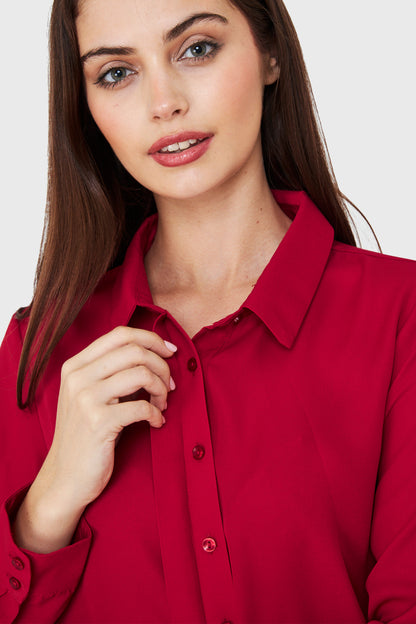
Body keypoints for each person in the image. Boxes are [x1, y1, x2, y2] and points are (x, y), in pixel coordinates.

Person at [1, 0, 415, 622]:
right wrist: (50, 501)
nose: (163, 102)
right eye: (117, 72)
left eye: (196, 49)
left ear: (270, 54)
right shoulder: (38, 350)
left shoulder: (401, 317)